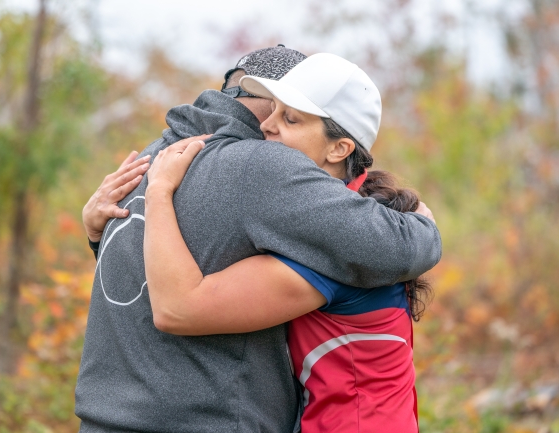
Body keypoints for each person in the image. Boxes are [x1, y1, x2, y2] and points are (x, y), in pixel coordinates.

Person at [77, 46, 441, 433]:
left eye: (292, 117)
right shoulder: (261, 171)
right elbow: (163, 296)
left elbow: (145, 288)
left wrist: (123, 218)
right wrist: (422, 227)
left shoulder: (157, 158)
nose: (270, 126)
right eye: (277, 110)